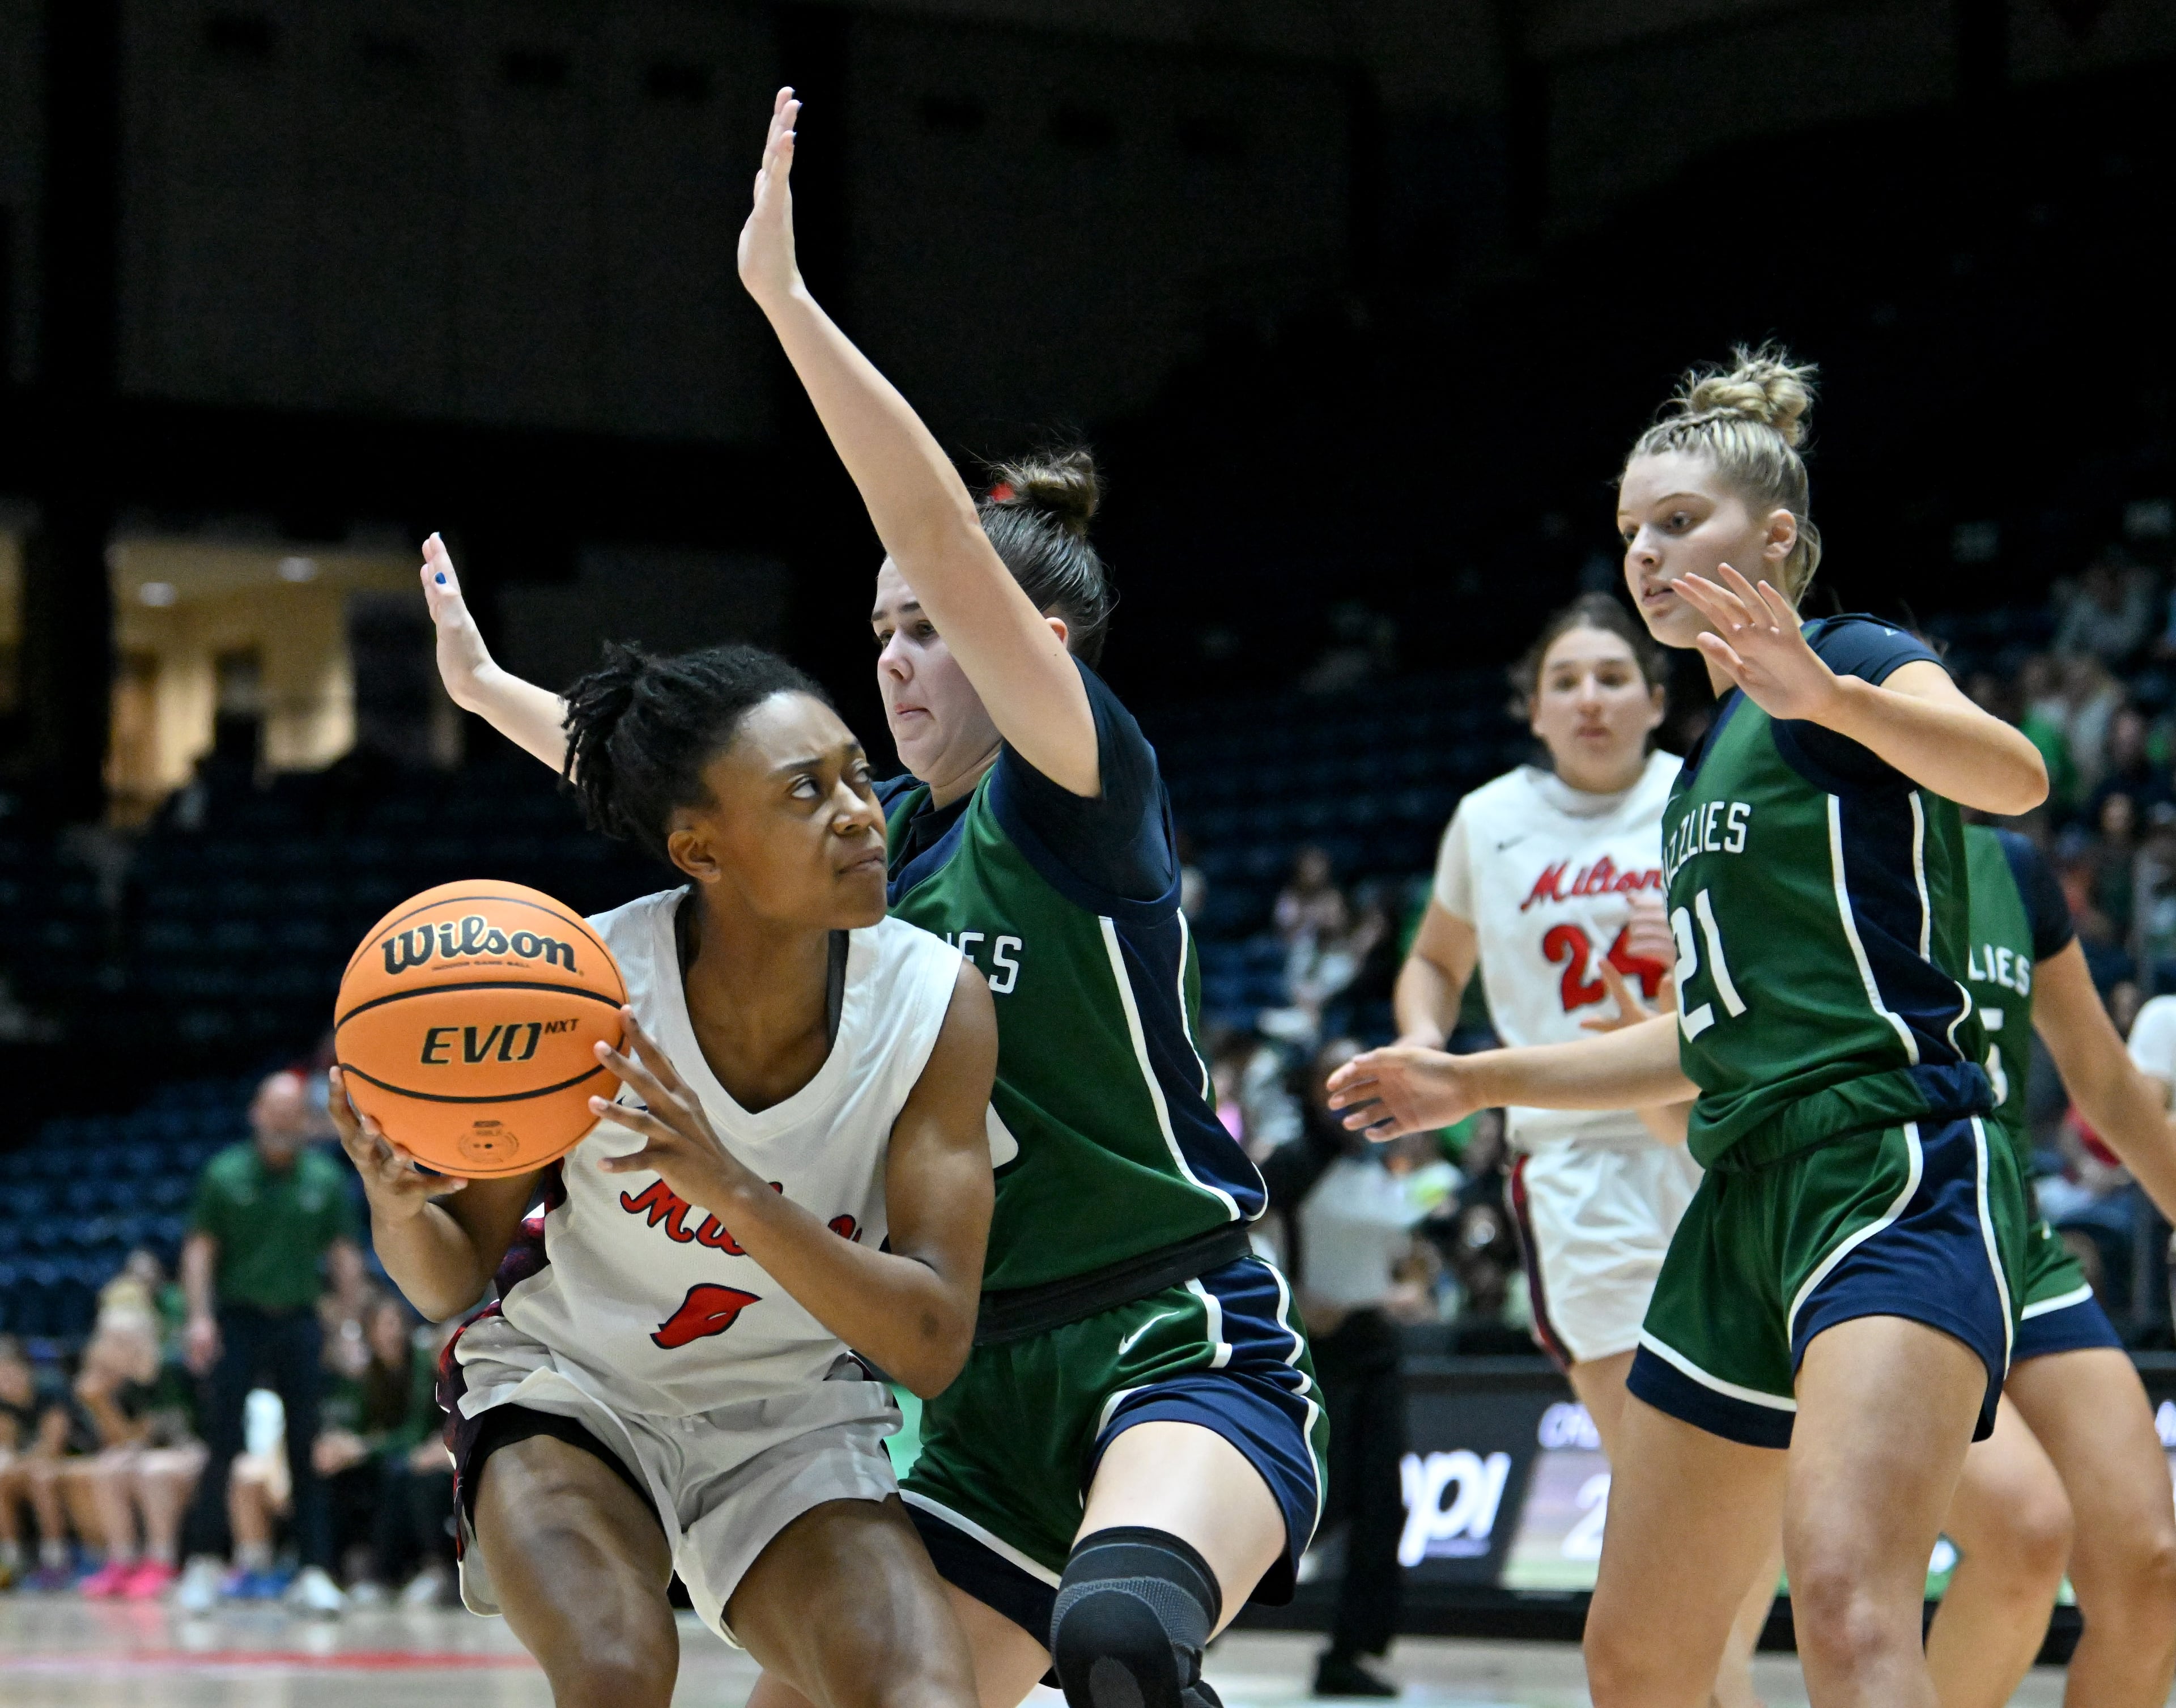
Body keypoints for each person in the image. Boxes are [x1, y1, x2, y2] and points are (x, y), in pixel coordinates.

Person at [424, 88, 1325, 1708]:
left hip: (1163, 1334)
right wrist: (493, 687)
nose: (897, 655)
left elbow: (928, 520)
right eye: (883, 627)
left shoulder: (1075, 791)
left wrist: (783, 302)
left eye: (933, 624)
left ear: (1026, 647)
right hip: (955, 1384)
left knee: (1120, 1640)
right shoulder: (864, 848)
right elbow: (674, 777)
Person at [1328, 346, 2051, 1708]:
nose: (1647, 555)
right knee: (1641, 1654)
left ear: (1774, 537)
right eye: (1629, 533)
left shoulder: (1851, 660)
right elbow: (1698, 1039)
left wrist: (1831, 699)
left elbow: (2014, 776)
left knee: (1842, 1604)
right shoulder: (1702, 767)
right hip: (1736, 1195)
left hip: (1884, 1165)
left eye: (1678, 523)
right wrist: (1468, 1076)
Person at [332, 636, 1000, 1708]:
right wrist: (395, 1198)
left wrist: (731, 1187)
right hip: (578, 1397)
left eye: (858, 776)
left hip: (791, 1418)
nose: (860, 813)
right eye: (804, 791)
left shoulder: (935, 1003)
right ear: (701, 849)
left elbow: (930, 1344)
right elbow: (448, 1280)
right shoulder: (583, 994)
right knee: (616, 1670)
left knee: (923, 1694)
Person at [1391, 590, 1774, 1708]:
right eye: (1566, 680)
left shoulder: (1702, 797)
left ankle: (1716, 1684)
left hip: (1721, 1146)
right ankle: (1715, 1688)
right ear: (1533, 709)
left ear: (1660, 701)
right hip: (1575, 1163)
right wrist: (1424, 1036)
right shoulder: (1489, 818)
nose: (1591, 697)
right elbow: (1433, 959)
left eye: (1614, 676)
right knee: (1662, 1476)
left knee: (1749, 1469)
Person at [1918, 821, 2176, 1707]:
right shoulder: (1797, 835)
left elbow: (2104, 1081)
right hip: (1879, 1246)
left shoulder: (2012, 865)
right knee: (2024, 1540)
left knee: (2152, 1572)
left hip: (2013, 1240)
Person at [1258, 1039, 1426, 1698]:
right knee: (1304, 1503)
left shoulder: (1377, 1162)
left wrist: (1404, 1286)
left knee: (1383, 1504)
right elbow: (1242, 1237)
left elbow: (1400, 1247)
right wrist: (1293, 1300)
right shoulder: (1295, 1163)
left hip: (1374, 1344)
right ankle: (1194, 1615)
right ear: (1314, 1092)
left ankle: (1352, 1650)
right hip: (1309, 1352)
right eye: (1338, 1081)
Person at [176, 1068, 368, 1616]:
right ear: (257, 1113)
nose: (284, 1120)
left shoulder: (324, 1179)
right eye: (274, 1109)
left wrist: (348, 1327)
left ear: (306, 1120)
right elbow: (199, 1249)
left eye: (294, 1112)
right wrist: (198, 1317)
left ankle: (313, 1572)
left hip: (299, 1320)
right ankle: (205, 1565)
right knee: (222, 1445)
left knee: (307, 1449)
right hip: (237, 1320)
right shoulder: (224, 1173)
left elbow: (345, 1258)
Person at [65, 1309, 205, 1600]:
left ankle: (162, 1562)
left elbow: (203, 1431)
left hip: (199, 1452)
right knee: (108, 1467)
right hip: (157, 1456)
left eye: (115, 1342)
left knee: (152, 1469)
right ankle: (122, 1562)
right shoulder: (127, 1385)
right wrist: (99, 1402)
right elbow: (128, 1441)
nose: (105, 1351)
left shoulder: (175, 1369)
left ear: (141, 1341)